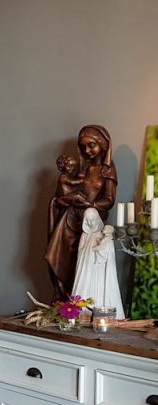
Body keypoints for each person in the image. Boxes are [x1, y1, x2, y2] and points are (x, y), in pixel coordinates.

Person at [46, 125, 118, 300]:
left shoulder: (106, 170)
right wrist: (66, 200)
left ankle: (75, 302)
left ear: (103, 144)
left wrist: (89, 204)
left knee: (82, 263)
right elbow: (61, 195)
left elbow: (108, 200)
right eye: (83, 146)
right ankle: (62, 298)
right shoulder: (79, 168)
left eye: (91, 145)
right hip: (68, 220)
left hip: (89, 224)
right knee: (54, 256)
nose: (87, 150)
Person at [72, 207, 124, 317]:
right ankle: (80, 314)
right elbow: (80, 252)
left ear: (97, 219)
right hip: (85, 269)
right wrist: (87, 254)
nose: (90, 222)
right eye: (88, 220)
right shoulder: (85, 235)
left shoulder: (103, 235)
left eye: (92, 219)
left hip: (98, 269)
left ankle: (98, 315)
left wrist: (101, 249)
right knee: (84, 288)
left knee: (98, 289)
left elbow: (106, 254)